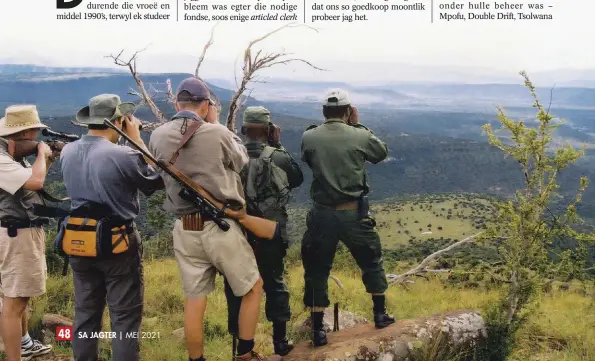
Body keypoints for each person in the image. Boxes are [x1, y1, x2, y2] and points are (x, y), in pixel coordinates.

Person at [148, 77, 281, 361]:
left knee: (194, 300)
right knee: (252, 288)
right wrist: (218, 123)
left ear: (176, 104)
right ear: (206, 105)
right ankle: (245, 355)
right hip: (219, 226)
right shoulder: (218, 133)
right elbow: (242, 162)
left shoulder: (157, 136)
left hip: (185, 228)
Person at [59, 94, 164, 361]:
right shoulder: (123, 153)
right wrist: (137, 140)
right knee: (125, 319)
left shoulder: (68, 151)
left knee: (85, 314)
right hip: (117, 243)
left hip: (77, 241)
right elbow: (155, 181)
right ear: (118, 121)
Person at [300, 89, 395, 347]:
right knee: (371, 261)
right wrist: (357, 125)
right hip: (354, 212)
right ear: (348, 110)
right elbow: (380, 153)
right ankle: (380, 314)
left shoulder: (309, 136)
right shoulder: (360, 135)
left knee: (317, 271)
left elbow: (307, 158)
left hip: (322, 215)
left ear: (323, 111)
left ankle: (318, 330)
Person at [226, 106, 303, 356]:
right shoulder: (278, 157)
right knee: (275, 282)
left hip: (238, 231)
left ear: (244, 130)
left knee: (236, 286)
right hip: (270, 232)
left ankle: (241, 347)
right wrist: (278, 146)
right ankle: (280, 342)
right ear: (269, 131)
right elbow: (297, 178)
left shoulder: (230, 156)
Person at [0, 105, 54, 361]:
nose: (36, 140)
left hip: (18, 231)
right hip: (15, 234)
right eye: (34, 135)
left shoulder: (10, 154)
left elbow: (30, 188)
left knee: (19, 297)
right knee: (14, 303)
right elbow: (35, 182)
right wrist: (42, 155)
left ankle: (24, 344)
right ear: (22, 134)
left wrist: (45, 159)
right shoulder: (1, 157)